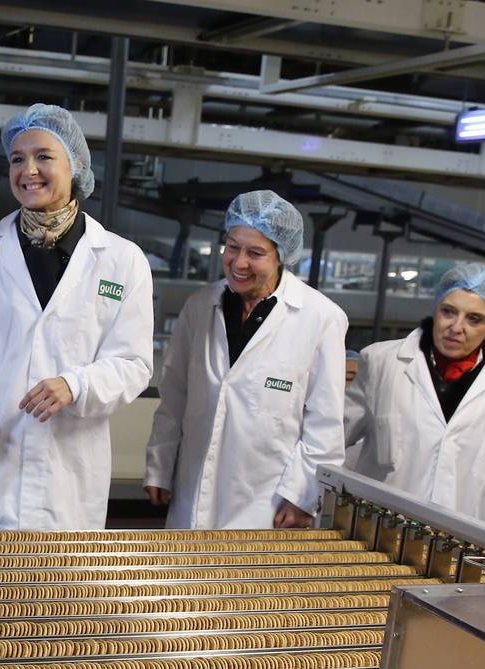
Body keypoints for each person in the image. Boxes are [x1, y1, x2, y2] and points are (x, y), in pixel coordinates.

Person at [0, 105, 153, 529]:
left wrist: (76, 384)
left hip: (64, 475)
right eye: (17, 158)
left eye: (43, 156)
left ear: (77, 165)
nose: (28, 169)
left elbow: (135, 365)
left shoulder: (123, 260)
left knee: (54, 590)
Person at [143, 190, 348, 530]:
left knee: (249, 583)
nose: (238, 263)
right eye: (232, 246)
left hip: (268, 503)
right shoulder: (200, 305)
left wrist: (303, 495)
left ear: (281, 255)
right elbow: (174, 396)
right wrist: (160, 466)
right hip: (193, 492)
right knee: (184, 580)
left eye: (255, 253)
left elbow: (324, 423)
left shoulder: (320, 318)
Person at [346, 263, 485, 526]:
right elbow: (331, 438)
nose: (456, 327)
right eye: (448, 312)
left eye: (474, 319)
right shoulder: (382, 362)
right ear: (435, 311)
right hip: (379, 529)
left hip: (463, 542)